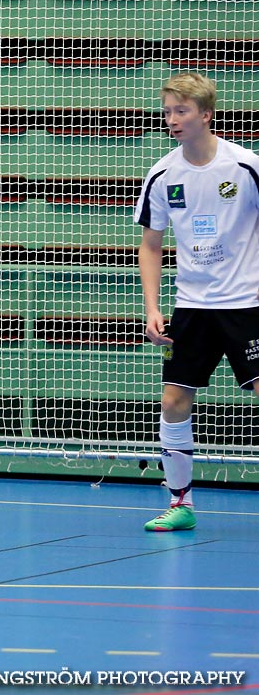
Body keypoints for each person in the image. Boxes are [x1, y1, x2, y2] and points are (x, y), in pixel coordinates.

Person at [137, 71, 259, 532]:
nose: (172, 119)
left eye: (181, 110)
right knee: (173, 401)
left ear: (206, 114)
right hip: (192, 307)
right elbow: (151, 244)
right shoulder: (164, 173)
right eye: (167, 111)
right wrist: (152, 307)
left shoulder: (245, 165)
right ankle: (180, 503)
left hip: (245, 304)